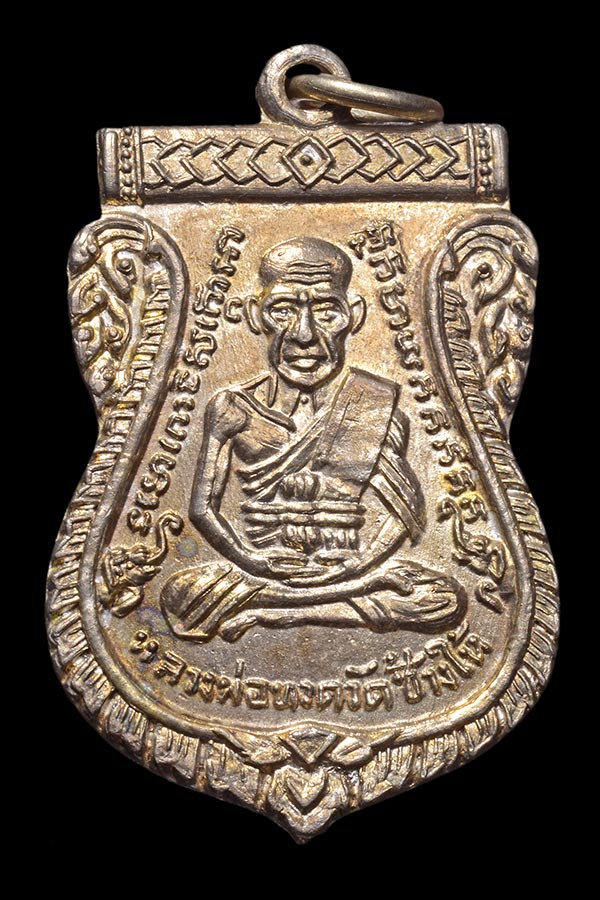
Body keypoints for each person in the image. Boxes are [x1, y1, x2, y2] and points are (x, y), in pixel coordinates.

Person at [161, 238, 465, 641]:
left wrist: (359, 565)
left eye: (326, 312)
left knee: (445, 599)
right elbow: (202, 509)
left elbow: (407, 511)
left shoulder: (373, 403)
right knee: (180, 594)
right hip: (264, 570)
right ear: (255, 315)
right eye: (283, 310)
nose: (303, 334)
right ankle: (324, 602)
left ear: (354, 315)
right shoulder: (233, 407)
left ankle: (276, 614)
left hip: (346, 567)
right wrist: (251, 561)